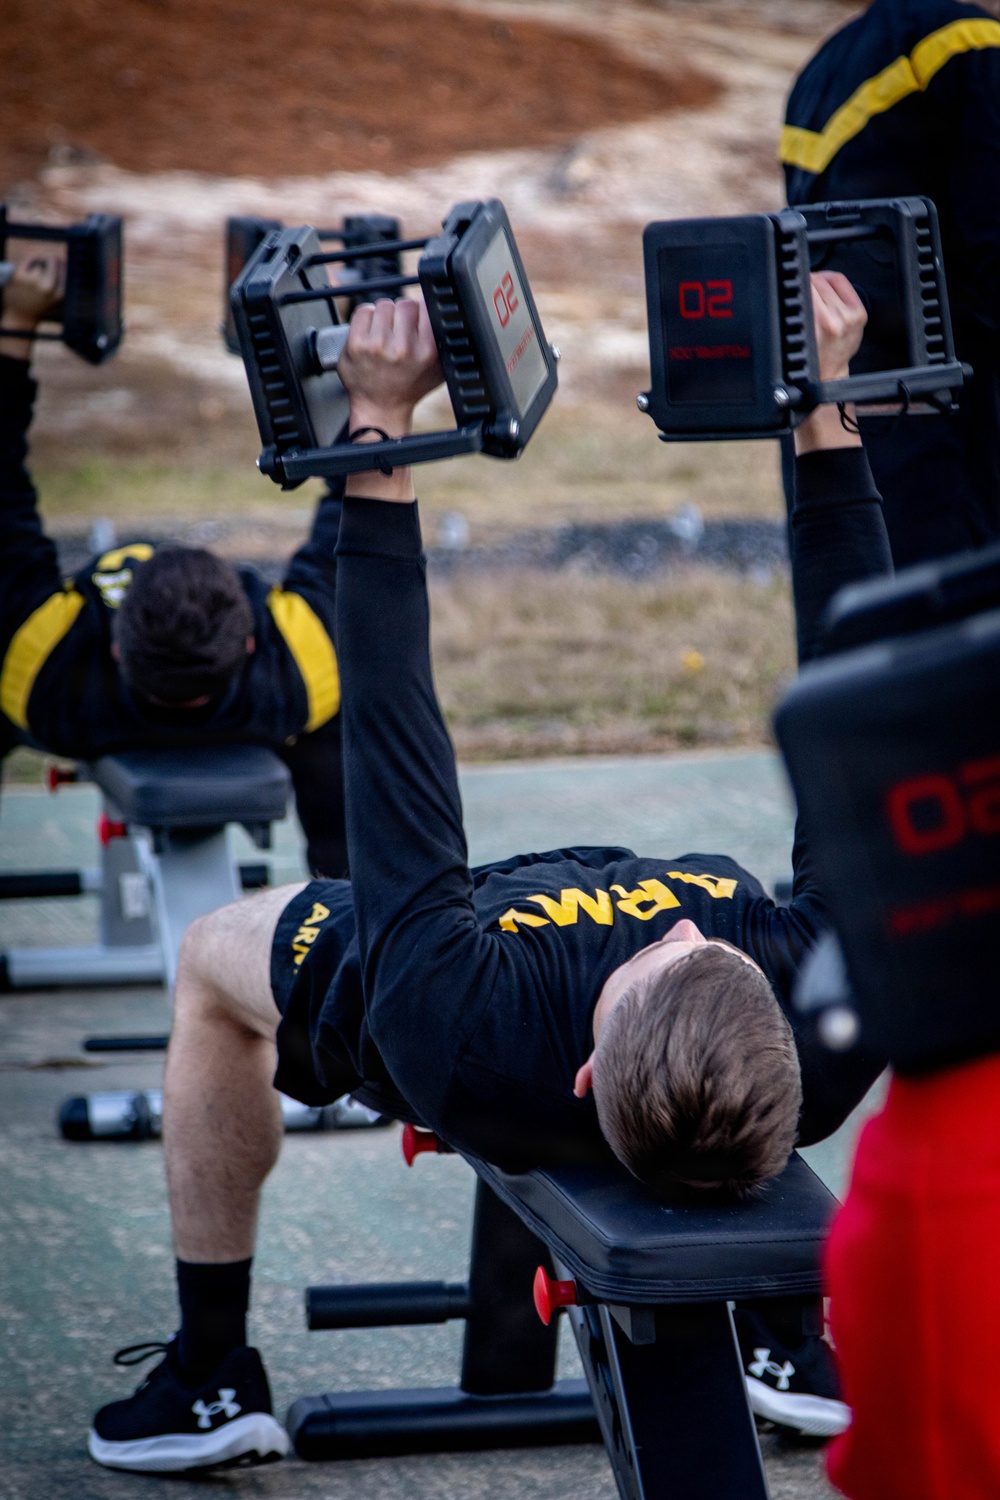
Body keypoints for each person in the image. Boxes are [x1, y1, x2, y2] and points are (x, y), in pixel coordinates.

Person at [87, 274, 887, 1473]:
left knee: (210, 967)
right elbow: (859, 687)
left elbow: (396, 734)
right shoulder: (829, 1010)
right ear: (782, 1041)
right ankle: (784, 1346)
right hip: (593, 1016)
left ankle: (210, 1380)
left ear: (583, 1066)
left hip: (436, 949)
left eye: (651, 973)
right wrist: (824, 407)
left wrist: (376, 435)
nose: (670, 938)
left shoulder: (458, 1021)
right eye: (708, 957)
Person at [0, 255, 347, 877]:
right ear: (247, 644)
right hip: (269, 721)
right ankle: (346, 898)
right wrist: (337, 342)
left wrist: (17, 322)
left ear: (114, 649)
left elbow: (1, 491)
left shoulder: (39, 680)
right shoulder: (298, 677)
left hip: (73, 720)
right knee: (347, 731)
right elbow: (356, 513)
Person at [781, 0, 1000, 568]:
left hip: (832, 403)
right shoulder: (970, 46)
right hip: (947, 418)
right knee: (949, 640)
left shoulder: (822, 66)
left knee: (851, 618)